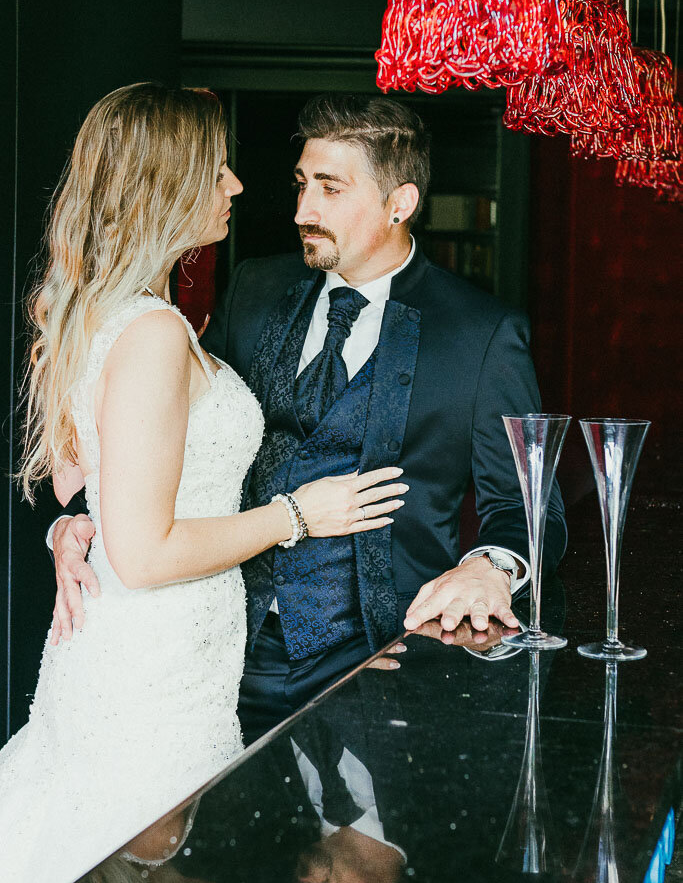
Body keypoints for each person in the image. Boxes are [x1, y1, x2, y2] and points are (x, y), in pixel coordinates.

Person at [51, 94, 567, 746]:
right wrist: (86, 520)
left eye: (329, 188)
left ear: (398, 202)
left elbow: (527, 506)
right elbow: (169, 442)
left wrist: (488, 567)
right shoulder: (254, 289)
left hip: (382, 659)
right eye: (300, 185)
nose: (301, 211)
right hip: (220, 656)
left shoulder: (480, 333)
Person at [1, 83, 403, 883]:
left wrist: (73, 529)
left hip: (164, 660)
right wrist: (299, 515)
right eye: (215, 168)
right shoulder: (149, 331)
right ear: (167, 182)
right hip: (150, 677)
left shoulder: (131, 315)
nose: (236, 185)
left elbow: (93, 487)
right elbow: (143, 556)